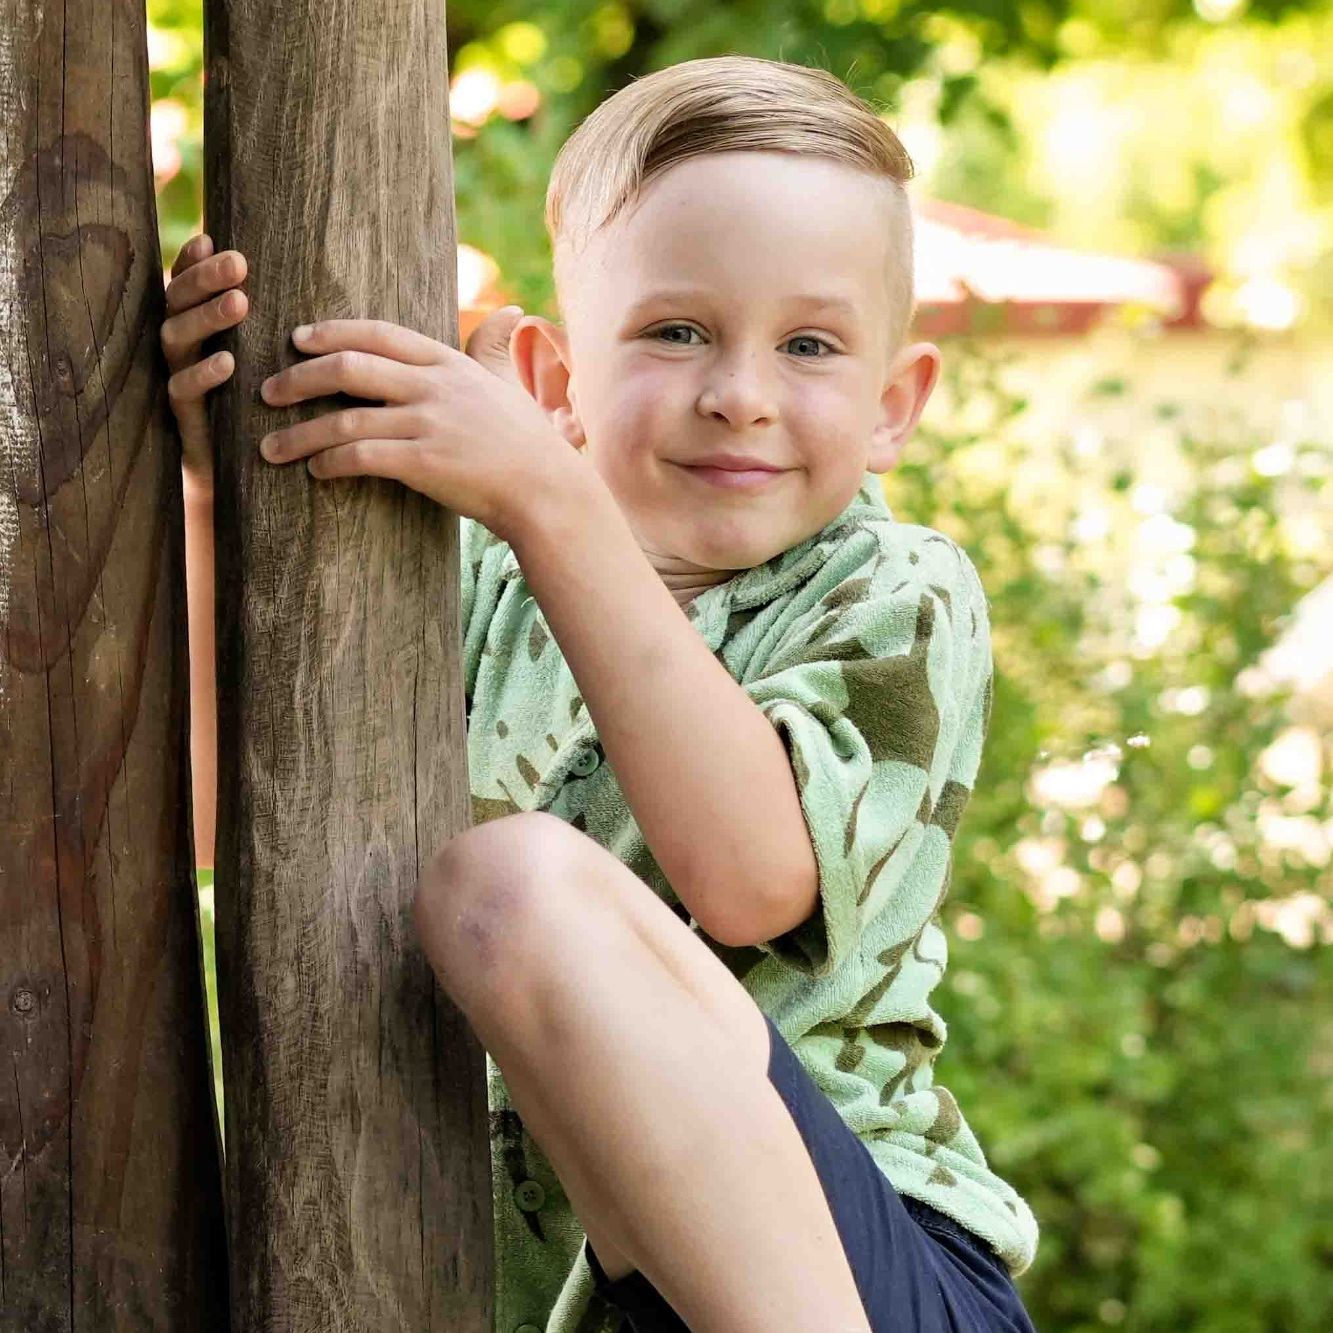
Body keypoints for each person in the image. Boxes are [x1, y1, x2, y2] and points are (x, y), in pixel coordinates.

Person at [162, 53, 1039, 1333]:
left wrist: (548, 499)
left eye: (809, 345)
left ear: (893, 402)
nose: (738, 393)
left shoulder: (894, 590)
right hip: (560, 1302)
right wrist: (210, 495)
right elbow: (213, 823)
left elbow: (748, 878)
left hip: (853, 1269)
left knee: (513, 885)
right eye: (676, 330)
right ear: (554, 381)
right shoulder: (450, 580)